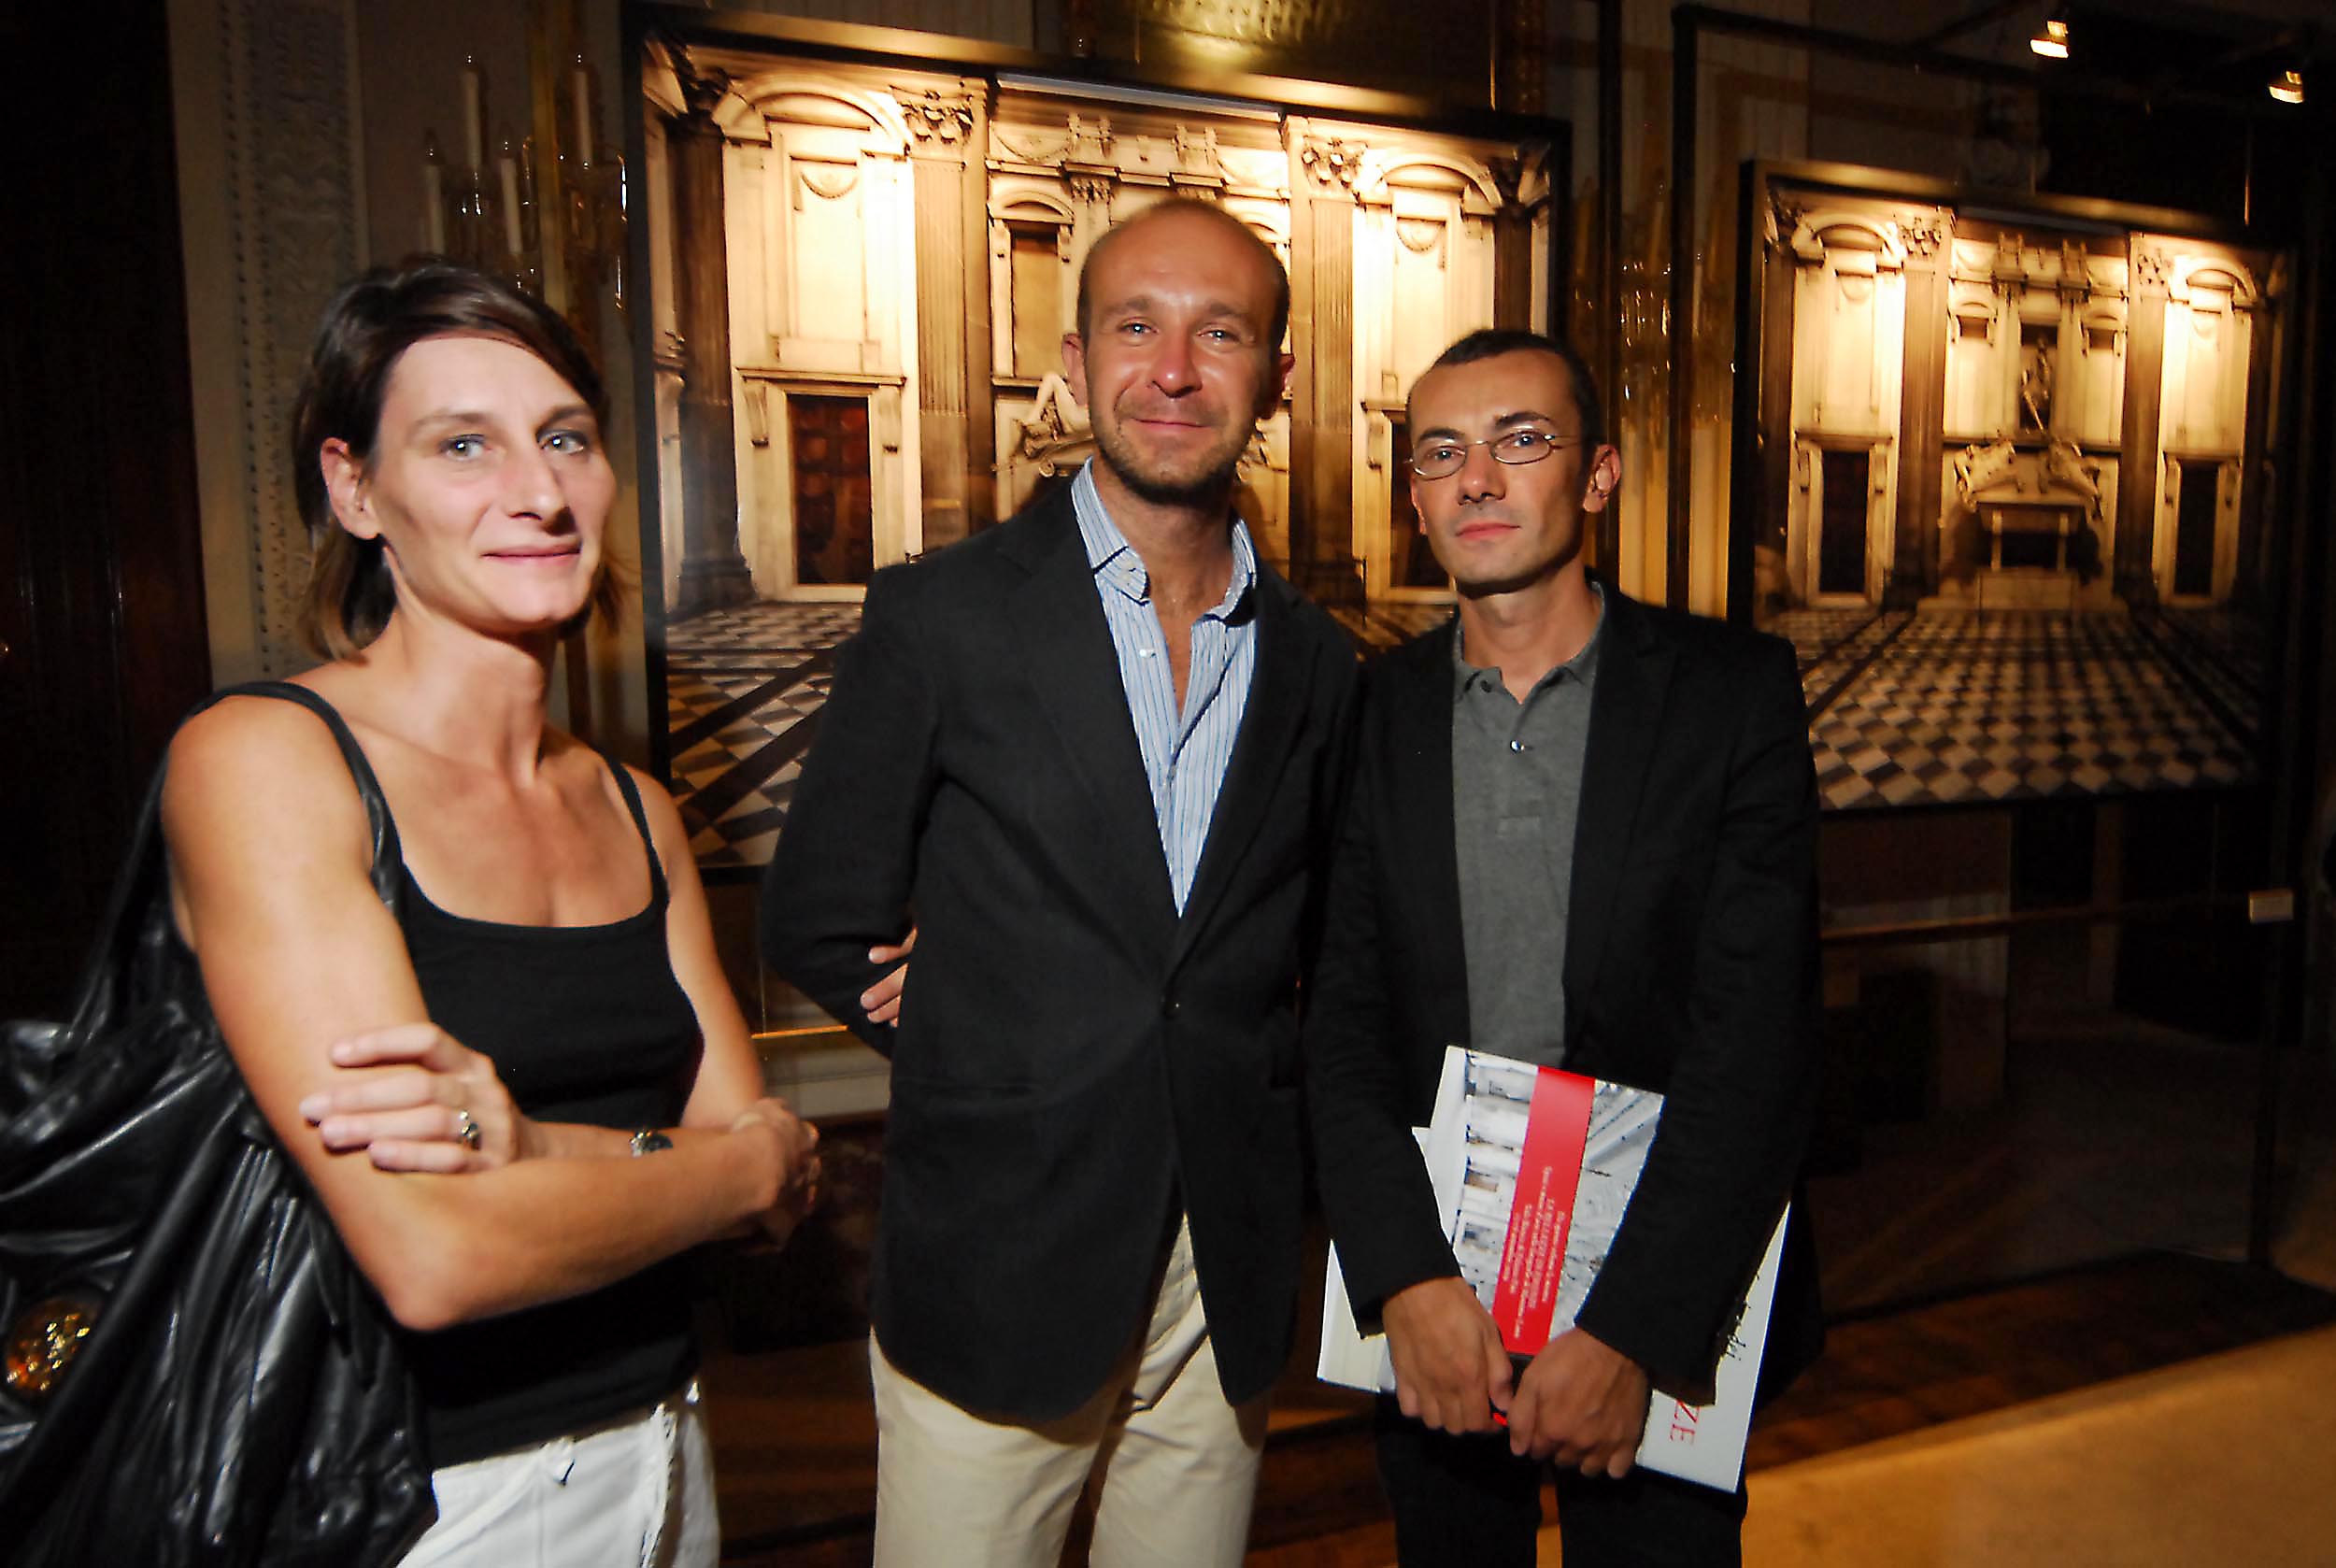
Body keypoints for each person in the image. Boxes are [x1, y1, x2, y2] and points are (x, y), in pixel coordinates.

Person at [161, 260, 819, 1565]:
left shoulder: (636, 809)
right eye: (463, 443)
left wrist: (530, 1144)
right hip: (419, 1498)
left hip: (669, 1454)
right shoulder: (266, 761)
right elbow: (437, 1255)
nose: (537, 490)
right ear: (357, 491)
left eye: (564, 437)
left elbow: (778, 1204)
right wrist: (726, 1162)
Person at [760, 196, 1358, 1568]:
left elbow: (1306, 948)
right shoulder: (942, 614)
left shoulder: (1320, 663)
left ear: (1277, 378)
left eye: (1222, 333)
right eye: (1135, 326)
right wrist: (978, 1014)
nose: (1174, 367)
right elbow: (817, 910)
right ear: (1077, 365)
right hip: (997, 1259)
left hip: (1222, 1274)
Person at [1303, 327, 1823, 1566]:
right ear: (1417, 496)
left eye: (1518, 440)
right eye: (1443, 452)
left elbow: (1757, 1042)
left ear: (1599, 473)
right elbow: (1339, 1025)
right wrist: (1408, 1283)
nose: (1478, 478)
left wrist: (1632, 1329)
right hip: (1446, 1303)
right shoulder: (1371, 714)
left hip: (1656, 1296)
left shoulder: (1731, 694)